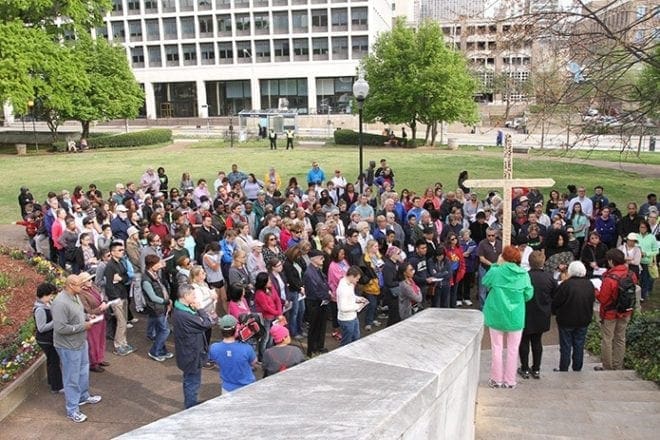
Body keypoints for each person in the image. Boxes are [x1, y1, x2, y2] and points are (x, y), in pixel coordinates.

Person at [51, 275, 103, 423]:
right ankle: (72, 409)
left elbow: (77, 314)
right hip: (68, 346)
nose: (85, 286)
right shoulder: (60, 303)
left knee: (83, 370)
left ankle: (83, 396)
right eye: (81, 284)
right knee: (71, 377)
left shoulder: (76, 296)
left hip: (80, 341)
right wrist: (83, 326)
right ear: (71, 285)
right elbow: (60, 328)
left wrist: (87, 316)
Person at [482, 246, 534, 389]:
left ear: (503, 257)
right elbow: (529, 295)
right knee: (513, 350)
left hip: (496, 314)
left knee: (496, 348)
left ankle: (496, 379)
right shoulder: (524, 275)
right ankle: (510, 381)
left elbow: (485, 282)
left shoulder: (496, 271)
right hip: (516, 316)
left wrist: (496, 265)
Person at [172, 283, 216, 409]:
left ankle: (190, 403)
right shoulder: (185, 315)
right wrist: (200, 309)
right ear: (185, 296)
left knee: (190, 380)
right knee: (192, 381)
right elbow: (206, 324)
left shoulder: (179, 309)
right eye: (192, 295)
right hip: (191, 354)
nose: (195, 297)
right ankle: (191, 406)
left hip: (187, 352)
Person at [594, 249, 637, 371]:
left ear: (611, 261)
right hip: (625, 311)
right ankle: (618, 365)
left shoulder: (610, 278)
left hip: (610, 313)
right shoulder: (630, 274)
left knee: (607, 339)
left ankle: (607, 366)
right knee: (620, 338)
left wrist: (595, 291)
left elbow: (603, 299)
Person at [551, 260, 595, 372]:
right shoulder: (589, 284)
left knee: (565, 345)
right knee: (579, 344)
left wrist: (555, 312)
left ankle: (564, 367)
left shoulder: (566, 285)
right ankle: (577, 367)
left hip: (566, 319)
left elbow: (556, 302)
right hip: (583, 319)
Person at [519, 251, 556, 379]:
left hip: (526, 312)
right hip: (542, 312)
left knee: (524, 341)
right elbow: (554, 294)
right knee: (537, 341)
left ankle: (524, 368)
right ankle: (536, 368)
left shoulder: (524, 276)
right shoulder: (549, 277)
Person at [208, 314, 257, 393]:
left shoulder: (214, 348)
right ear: (236, 329)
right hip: (247, 387)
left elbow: (215, 361)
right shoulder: (246, 347)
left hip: (227, 388)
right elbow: (254, 362)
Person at [104, 241, 135, 356]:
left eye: (123, 250)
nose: (122, 252)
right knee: (121, 321)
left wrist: (120, 278)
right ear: (112, 252)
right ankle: (118, 346)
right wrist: (115, 298)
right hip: (117, 297)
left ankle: (124, 343)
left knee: (124, 320)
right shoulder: (110, 266)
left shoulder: (121, 263)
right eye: (119, 250)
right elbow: (109, 285)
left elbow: (127, 277)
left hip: (123, 294)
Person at [142, 255, 173, 362]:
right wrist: (166, 301)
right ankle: (154, 351)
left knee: (161, 329)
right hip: (156, 308)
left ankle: (162, 350)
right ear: (151, 265)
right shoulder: (146, 280)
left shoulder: (154, 274)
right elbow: (153, 297)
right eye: (158, 264)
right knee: (165, 330)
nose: (160, 265)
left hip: (160, 307)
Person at [34, 282, 63, 393]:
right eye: (50, 295)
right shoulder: (40, 309)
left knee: (52, 361)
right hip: (46, 340)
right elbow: (41, 328)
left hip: (49, 338)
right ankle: (57, 386)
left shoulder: (46, 304)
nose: (51, 297)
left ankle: (53, 383)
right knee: (54, 362)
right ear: (44, 295)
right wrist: (55, 321)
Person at [78, 272, 110, 373]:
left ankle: (100, 358)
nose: (90, 281)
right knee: (93, 341)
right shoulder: (81, 294)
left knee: (101, 339)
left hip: (101, 317)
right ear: (82, 282)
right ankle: (93, 363)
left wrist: (104, 301)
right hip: (93, 320)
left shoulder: (93, 287)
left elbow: (102, 294)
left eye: (91, 279)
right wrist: (100, 308)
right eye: (88, 280)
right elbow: (87, 310)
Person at [303, 249, 331, 357]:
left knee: (321, 326)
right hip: (315, 303)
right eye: (321, 258)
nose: (323, 260)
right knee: (314, 327)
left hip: (322, 301)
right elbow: (314, 291)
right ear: (314, 259)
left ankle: (319, 346)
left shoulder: (317, 270)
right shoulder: (309, 273)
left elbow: (323, 283)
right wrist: (327, 296)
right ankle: (311, 349)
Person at [336, 266, 368, 346]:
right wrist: (358, 306)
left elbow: (351, 296)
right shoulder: (343, 288)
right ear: (351, 276)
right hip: (346, 320)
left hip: (353, 317)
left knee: (356, 338)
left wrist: (358, 299)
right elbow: (343, 307)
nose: (358, 281)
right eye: (357, 278)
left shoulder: (350, 283)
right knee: (346, 342)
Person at [637, 220, 658, 301]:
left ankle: (644, 295)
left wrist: (646, 253)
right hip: (637, 262)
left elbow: (656, 250)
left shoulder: (651, 237)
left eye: (644, 227)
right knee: (638, 279)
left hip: (646, 262)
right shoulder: (636, 236)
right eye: (641, 227)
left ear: (647, 228)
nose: (642, 229)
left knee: (645, 280)